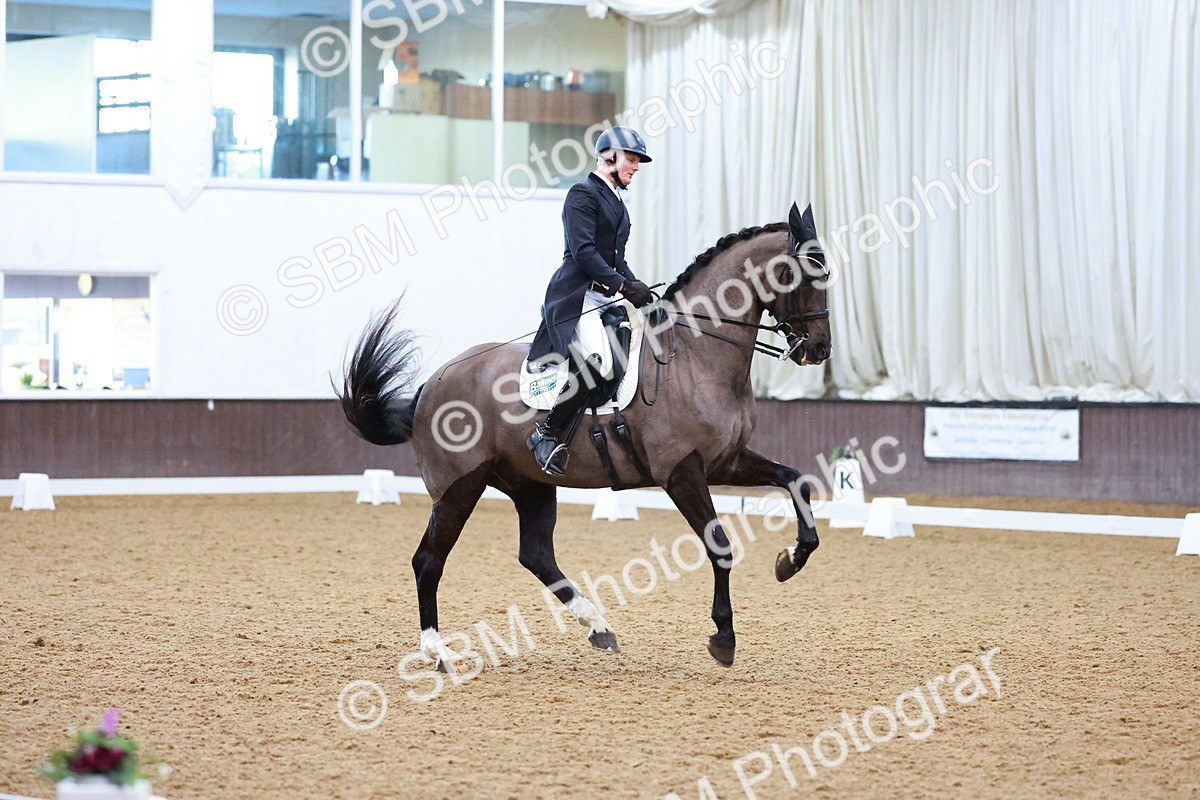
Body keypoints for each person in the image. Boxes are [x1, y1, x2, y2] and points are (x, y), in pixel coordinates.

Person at [525, 127, 655, 476]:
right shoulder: (582, 194)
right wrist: (624, 287)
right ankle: (547, 433)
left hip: (603, 293)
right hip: (576, 294)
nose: (636, 167)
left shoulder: (616, 202)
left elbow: (615, 259)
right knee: (598, 360)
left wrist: (637, 286)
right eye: (631, 159)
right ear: (609, 157)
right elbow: (584, 252)